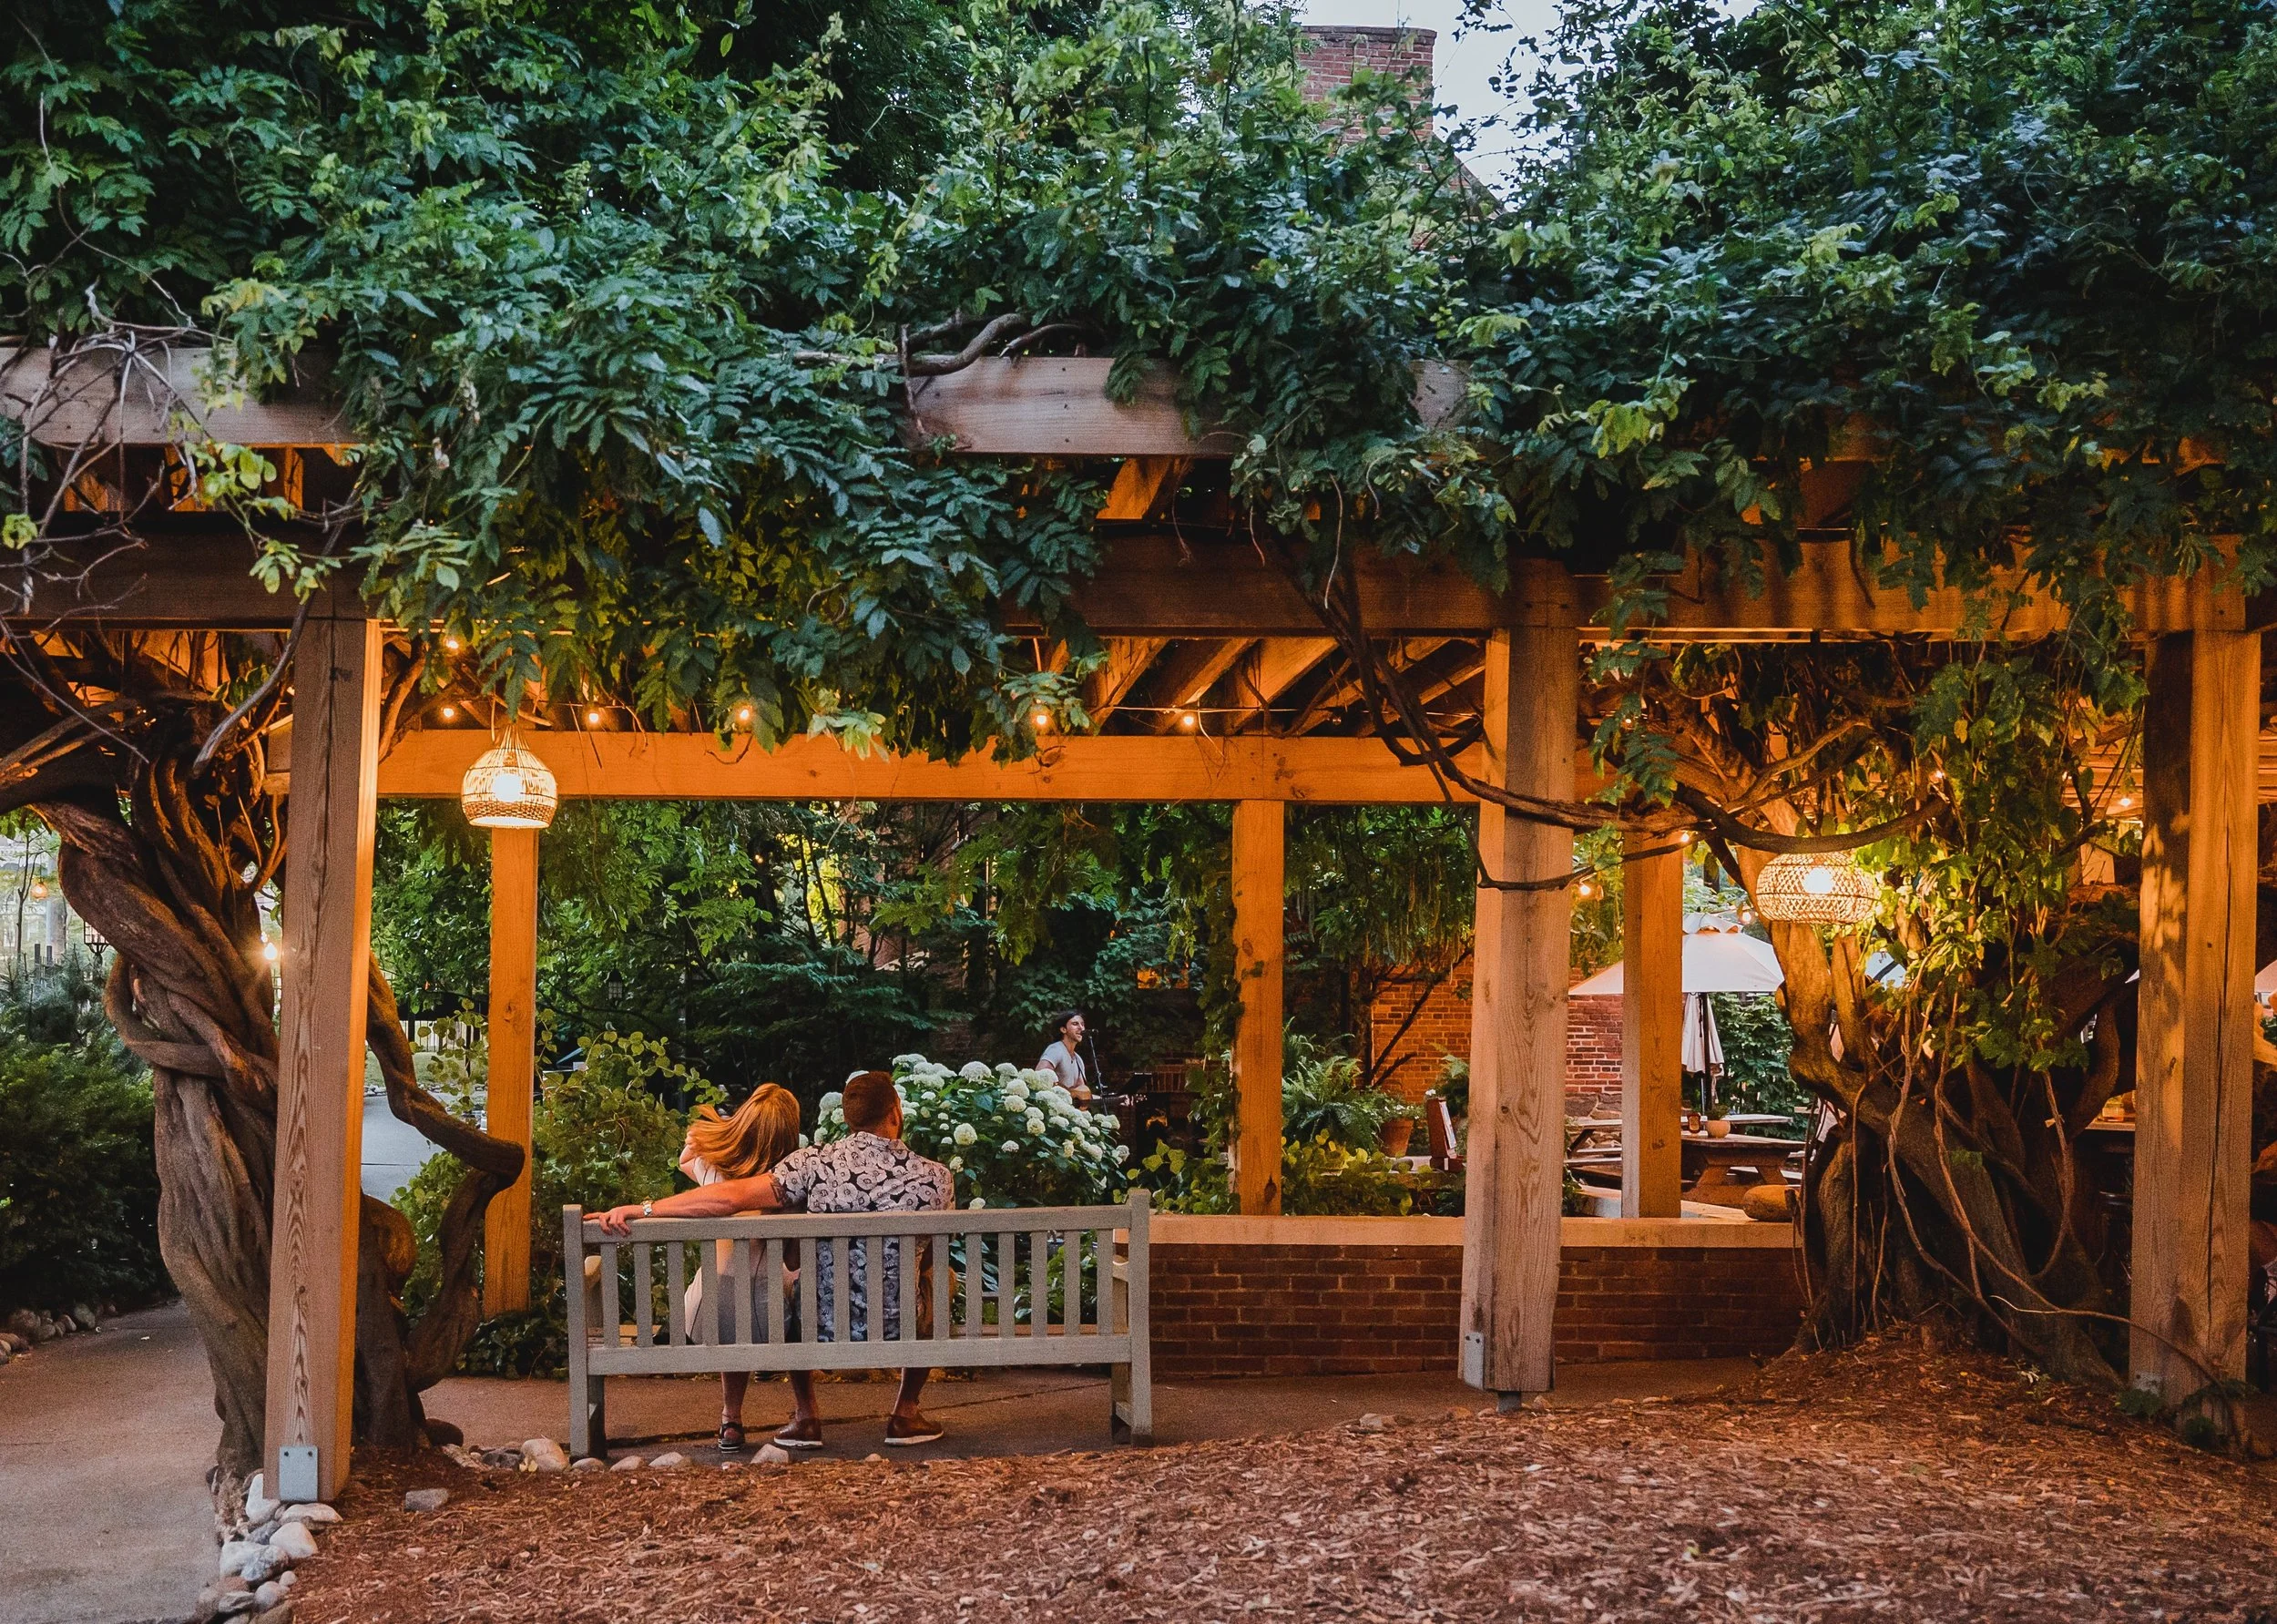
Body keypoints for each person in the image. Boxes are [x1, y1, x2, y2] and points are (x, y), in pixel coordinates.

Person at [597, 1069, 953, 1448]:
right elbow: (930, 1252)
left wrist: (645, 1208)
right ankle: (905, 1412)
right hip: (900, 1324)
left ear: (848, 1119)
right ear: (895, 1114)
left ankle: (806, 1417)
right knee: (940, 1276)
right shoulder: (937, 1177)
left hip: (824, 1326)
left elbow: (730, 1198)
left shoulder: (815, 1164)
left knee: (800, 1285)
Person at [677, 1084, 801, 1454]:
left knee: (729, 1295)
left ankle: (731, 1418)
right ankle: (805, 1410)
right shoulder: (787, 1183)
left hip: (706, 1314)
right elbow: (792, 1260)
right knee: (795, 1287)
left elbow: (686, 1160)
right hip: (772, 1320)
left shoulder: (712, 1169)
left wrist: (714, 1135)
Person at [1037, 1010, 1093, 1105]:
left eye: (1082, 1024)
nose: (1081, 1028)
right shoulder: (1056, 1049)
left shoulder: (1078, 1060)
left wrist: (1117, 1099)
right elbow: (1040, 1075)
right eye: (1075, 1024)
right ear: (1063, 1029)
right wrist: (1067, 1092)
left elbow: (1084, 1095)